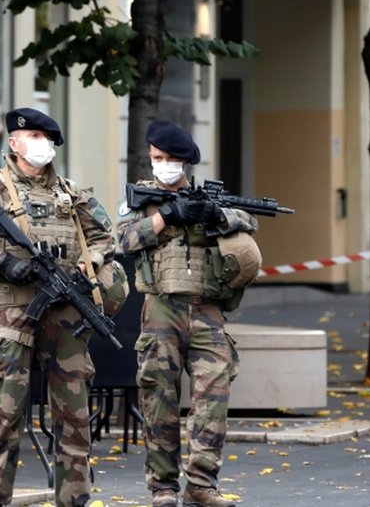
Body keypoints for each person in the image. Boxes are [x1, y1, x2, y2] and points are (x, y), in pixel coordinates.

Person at [0, 108, 118, 507]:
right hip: (13, 312)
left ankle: (74, 497)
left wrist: (86, 264)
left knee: (74, 412)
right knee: (5, 411)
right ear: (14, 142)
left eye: (47, 137)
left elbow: (106, 239)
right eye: (34, 136)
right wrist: (3, 262)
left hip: (65, 311)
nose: (41, 144)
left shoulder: (72, 193)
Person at [116, 120, 260, 507]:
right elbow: (123, 240)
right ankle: (162, 488)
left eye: (170, 159)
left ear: (185, 162)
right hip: (162, 307)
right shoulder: (140, 200)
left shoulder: (207, 197)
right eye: (157, 157)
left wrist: (217, 216)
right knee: (158, 398)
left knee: (214, 394)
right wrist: (167, 216)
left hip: (208, 309)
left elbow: (251, 219)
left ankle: (201, 483)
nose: (163, 164)